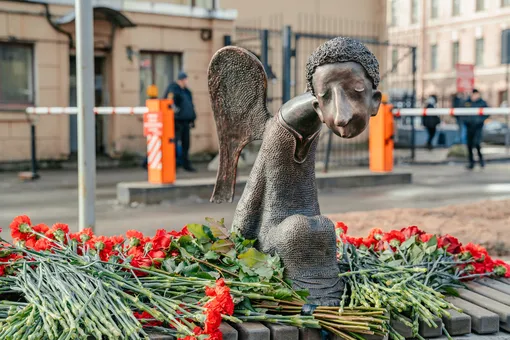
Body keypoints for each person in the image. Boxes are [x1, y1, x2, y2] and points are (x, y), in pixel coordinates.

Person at [164, 72, 197, 172]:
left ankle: (185, 164)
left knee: (186, 144)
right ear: (180, 80)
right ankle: (173, 165)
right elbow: (169, 103)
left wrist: (192, 118)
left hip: (186, 121)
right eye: (184, 79)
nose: (186, 81)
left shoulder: (187, 91)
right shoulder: (173, 89)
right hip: (176, 122)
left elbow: (190, 106)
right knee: (173, 144)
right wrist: (176, 113)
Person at [463, 89, 489, 169]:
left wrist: (480, 121)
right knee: (469, 145)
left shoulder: (482, 103)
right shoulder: (467, 102)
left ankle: (481, 160)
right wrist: (467, 121)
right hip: (469, 126)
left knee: (477, 143)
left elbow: (487, 112)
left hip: (478, 127)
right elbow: (462, 113)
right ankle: (471, 162)